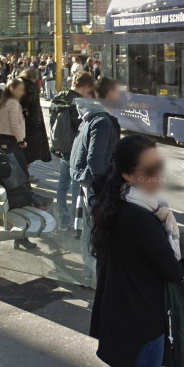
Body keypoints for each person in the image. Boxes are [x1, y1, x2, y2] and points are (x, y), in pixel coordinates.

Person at [88, 135, 184, 367]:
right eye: (150, 169)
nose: (158, 174)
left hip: (124, 309)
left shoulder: (119, 203)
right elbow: (173, 271)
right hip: (143, 317)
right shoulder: (143, 218)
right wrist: (167, 228)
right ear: (129, 176)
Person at [70, 77, 123, 285]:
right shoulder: (102, 121)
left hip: (86, 181)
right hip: (94, 183)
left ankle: (88, 274)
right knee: (95, 231)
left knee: (89, 228)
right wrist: (102, 183)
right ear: (110, 94)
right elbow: (95, 158)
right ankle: (95, 276)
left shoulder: (91, 116)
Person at [50, 72, 96, 229]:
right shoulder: (79, 103)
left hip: (62, 148)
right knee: (76, 185)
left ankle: (63, 217)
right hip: (76, 149)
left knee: (62, 184)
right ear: (84, 86)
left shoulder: (60, 97)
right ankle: (77, 219)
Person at [19, 66, 53, 170]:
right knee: (29, 149)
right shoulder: (32, 86)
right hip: (31, 120)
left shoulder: (18, 82)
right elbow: (34, 106)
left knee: (22, 148)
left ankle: (24, 173)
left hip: (20, 117)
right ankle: (26, 173)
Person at [0, 77, 30, 173]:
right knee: (21, 172)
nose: (23, 92)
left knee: (10, 170)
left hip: (2, 139)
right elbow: (14, 124)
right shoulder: (13, 103)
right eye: (20, 89)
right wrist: (21, 141)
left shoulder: (2, 102)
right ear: (12, 89)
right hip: (12, 141)